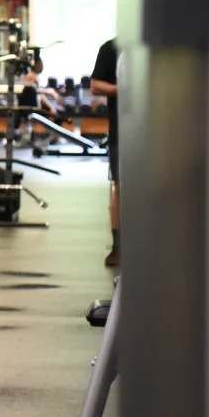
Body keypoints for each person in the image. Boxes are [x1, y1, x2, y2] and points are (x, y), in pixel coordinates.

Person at [90, 39, 119, 266]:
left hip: (160, 128)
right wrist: (124, 89)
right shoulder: (111, 48)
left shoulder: (159, 47)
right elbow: (96, 85)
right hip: (122, 128)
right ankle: (118, 247)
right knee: (120, 186)